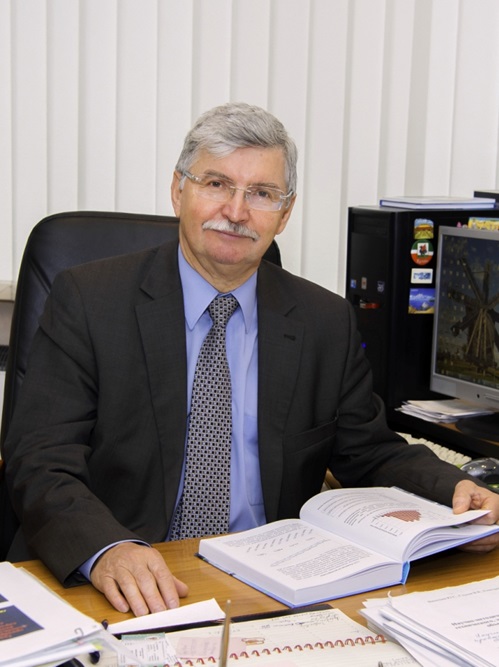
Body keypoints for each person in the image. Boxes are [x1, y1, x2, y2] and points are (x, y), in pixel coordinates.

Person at [4, 102, 499, 617]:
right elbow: (40, 458)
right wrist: (106, 548)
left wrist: (458, 489)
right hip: (128, 572)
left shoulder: (323, 321)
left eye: (261, 193)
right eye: (216, 184)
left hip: (271, 578)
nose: (237, 212)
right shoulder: (90, 300)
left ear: (285, 213)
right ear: (178, 190)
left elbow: (370, 453)